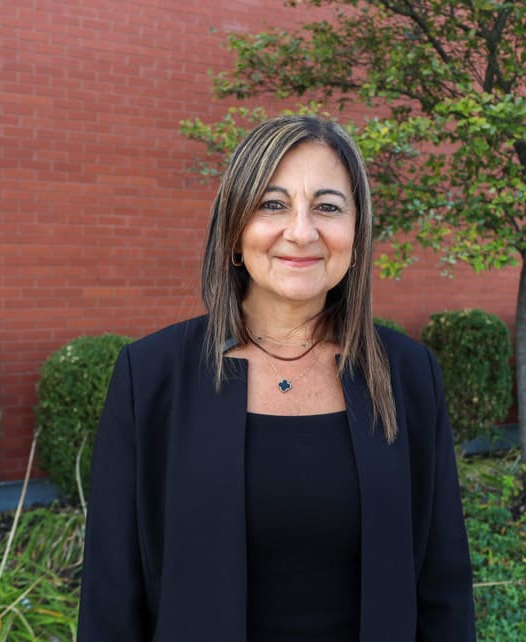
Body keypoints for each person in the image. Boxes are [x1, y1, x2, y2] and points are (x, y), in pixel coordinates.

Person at [76, 115, 476, 641]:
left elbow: (442, 589)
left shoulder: (407, 375)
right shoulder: (151, 377)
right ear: (236, 233)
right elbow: (111, 596)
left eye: (328, 207)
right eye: (273, 204)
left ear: (356, 234)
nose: (302, 231)